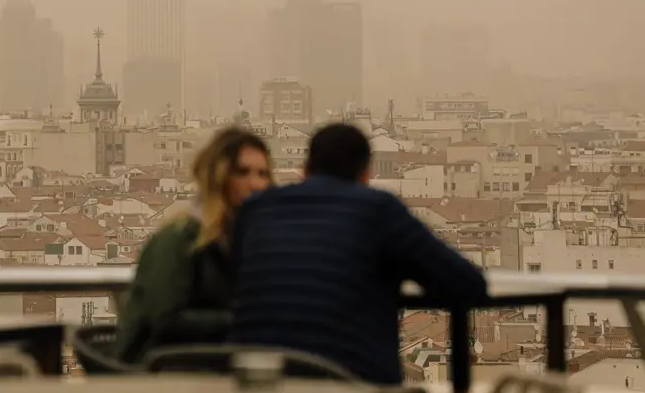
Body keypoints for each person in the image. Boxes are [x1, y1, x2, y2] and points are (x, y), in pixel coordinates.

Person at [227, 123, 488, 385]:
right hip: (350, 380)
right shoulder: (378, 210)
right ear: (365, 176)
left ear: (305, 170)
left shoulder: (255, 210)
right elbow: (468, 283)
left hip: (259, 383)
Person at [113, 127, 272, 364]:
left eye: (263, 174)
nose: (256, 184)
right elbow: (166, 321)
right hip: (157, 372)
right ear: (218, 178)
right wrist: (243, 320)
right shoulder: (178, 239)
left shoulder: (247, 242)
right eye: (242, 172)